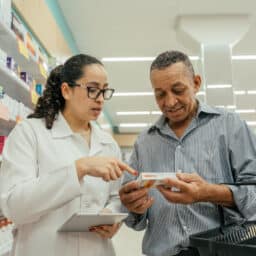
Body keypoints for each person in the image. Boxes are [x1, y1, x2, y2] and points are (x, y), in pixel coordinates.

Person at [119, 50, 256, 256]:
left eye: (178, 90)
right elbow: (134, 221)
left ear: (196, 83)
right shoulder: (144, 143)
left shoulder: (230, 126)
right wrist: (133, 207)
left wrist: (206, 192)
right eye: (160, 94)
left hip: (220, 251)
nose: (170, 102)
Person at [0, 54, 137, 256]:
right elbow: (15, 207)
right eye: (92, 89)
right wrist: (79, 169)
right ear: (66, 90)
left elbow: (114, 197)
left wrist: (111, 217)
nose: (100, 99)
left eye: (104, 90)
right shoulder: (29, 133)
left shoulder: (108, 143)